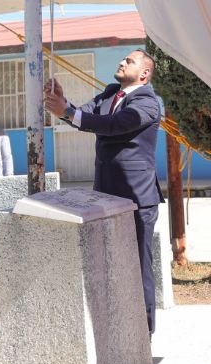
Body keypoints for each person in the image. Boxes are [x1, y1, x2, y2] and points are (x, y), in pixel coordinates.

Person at [44, 49, 164, 334]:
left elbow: (115, 125)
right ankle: (115, 329)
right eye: (123, 59)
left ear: (144, 73)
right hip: (105, 196)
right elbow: (84, 115)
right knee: (109, 265)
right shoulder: (110, 93)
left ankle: (143, 333)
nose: (122, 62)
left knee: (137, 266)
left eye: (130, 61)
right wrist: (63, 103)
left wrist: (68, 113)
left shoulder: (148, 102)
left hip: (136, 199)